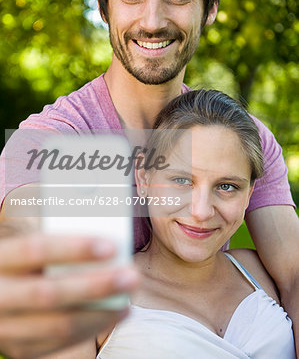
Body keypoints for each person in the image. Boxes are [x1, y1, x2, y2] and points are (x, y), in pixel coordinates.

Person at [0, 0, 298, 358]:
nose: (153, 20)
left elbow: (293, 277)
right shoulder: (59, 146)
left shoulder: (245, 135)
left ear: (210, 8)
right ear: (104, 8)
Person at [94, 89, 296, 358]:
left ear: (249, 194)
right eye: (182, 181)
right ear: (143, 179)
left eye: (226, 186)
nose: (201, 212)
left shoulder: (258, 272)